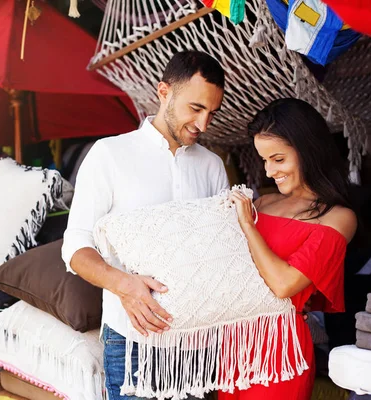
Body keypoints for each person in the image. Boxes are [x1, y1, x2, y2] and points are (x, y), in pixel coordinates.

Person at [61, 51, 230, 400]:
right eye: (195, 108)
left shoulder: (212, 166)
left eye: (211, 113)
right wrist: (125, 286)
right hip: (131, 341)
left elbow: (221, 251)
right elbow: (75, 247)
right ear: (164, 92)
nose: (203, 124)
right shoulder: (109, 154)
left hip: (198, 343)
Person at [221, 98, 357, 400]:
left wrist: (247, 225)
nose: (269, 171)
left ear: (307, 151)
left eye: (278, 159)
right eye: (264, 160)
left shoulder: (338, 218)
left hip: (282, 352)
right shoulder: (263, 203)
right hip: (234, 343)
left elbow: (284, 284)